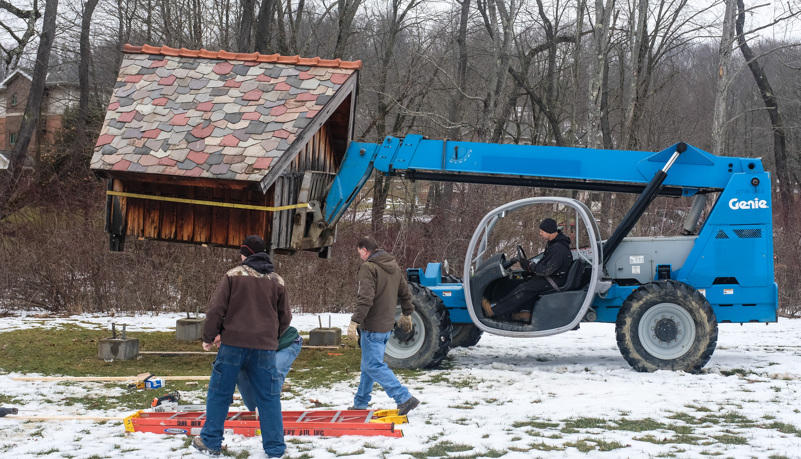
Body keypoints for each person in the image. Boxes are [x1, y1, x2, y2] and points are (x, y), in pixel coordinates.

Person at [193, 235, 291, 458]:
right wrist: (270, 338)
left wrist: (210, 336)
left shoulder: (233, 275)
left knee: (220, 393)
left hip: (233, 346)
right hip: (265, 349)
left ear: (245, 253)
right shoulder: (277, 281)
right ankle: (275, 449)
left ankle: (210, 441)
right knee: (268, 398)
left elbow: (216, 309)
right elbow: (286, 317)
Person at [347, 236, 420, 415]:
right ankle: (360, 403)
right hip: (386, 326)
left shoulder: (368, 267)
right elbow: (405, 292)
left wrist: (354, 321)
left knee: (373, 366)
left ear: (365, 250)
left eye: (360, 253)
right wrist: (407, 313)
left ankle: (404, 398)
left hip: (372, 326)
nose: (360, 257)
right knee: (368, 365)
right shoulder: (393, 266)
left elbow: (365, 298)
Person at [481, 218, 573, 322]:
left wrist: (530, 266)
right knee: (523, 281)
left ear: (549, 231)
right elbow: (544, 263)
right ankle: (525, 312)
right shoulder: (553, 244)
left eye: (542, 231)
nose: (540, 234)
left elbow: (545, 270)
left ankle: (493, 310)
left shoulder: (558, 248)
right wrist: (530, 269)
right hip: (553, 277)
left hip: (555, 280)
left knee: (525, 288)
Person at [235, 326, 302, 411]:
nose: (218, 346)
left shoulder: (241, 331)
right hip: (265, 346)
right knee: (241, 373)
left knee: (273, 372)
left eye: (218, 342)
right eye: (215, 343)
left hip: (287, 342)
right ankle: (256, 411)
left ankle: (272, 412)